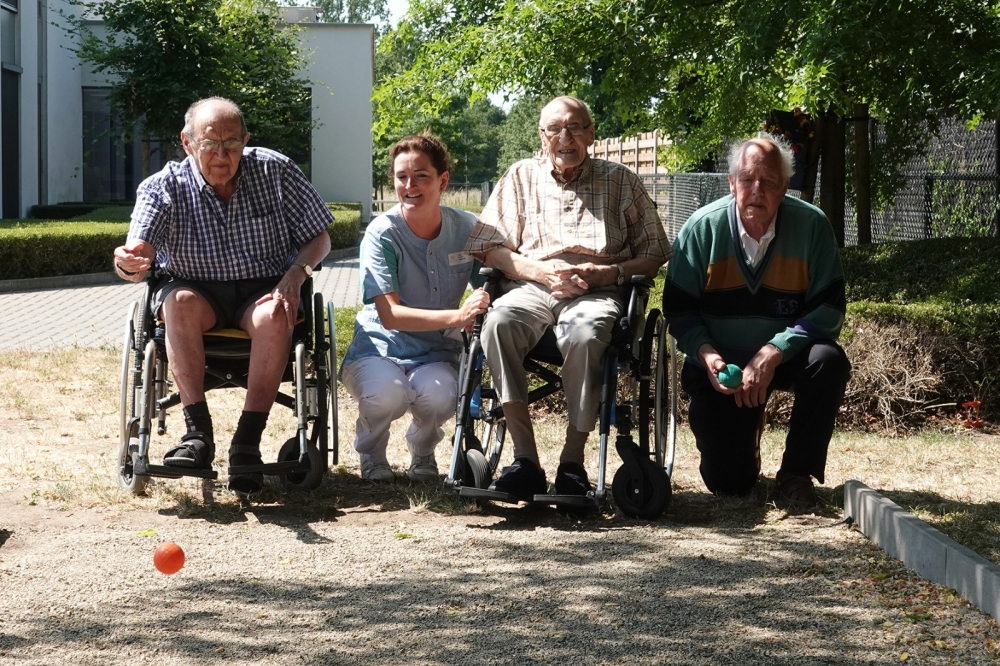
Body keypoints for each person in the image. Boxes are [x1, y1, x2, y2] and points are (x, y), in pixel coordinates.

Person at [112, 96, 333, 496]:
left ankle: (246, 444)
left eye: (232, 144)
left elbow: (320, 237)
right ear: (187, 142)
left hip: (264, 286)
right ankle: (197, 435)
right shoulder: (163, 187)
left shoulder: (275, 170)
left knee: (275, 314)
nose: (221, 155)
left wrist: (296, 274)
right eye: (210, 143)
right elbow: (139, 249)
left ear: (245, 141)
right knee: (176, 304)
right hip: (194, 290)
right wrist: (130, 261)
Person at [464, 95, 671, 500]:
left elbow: (655, 253)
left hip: (597, 291)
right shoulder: (520, 176)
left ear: (591, 133)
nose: (565, 137)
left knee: (587, 332)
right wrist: (538, 270)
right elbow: (488, 247)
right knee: (499, 323)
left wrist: (607, 273)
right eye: (555, 129)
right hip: (530, 285)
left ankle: (572, 463)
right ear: (542, 137)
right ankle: (525, 460)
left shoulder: (621, 179)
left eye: (575, 127)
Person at [662, 133, 851, 509]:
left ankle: (796, 475)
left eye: (768, 181)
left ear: (785, 187)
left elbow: (829, 308)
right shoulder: (701, 229)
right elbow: (679, 310)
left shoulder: (812, 227)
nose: (756, 190)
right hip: (721, 362)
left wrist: (772, 351)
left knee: (828, 362)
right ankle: (747, 436)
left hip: (784, 356)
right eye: (747, 179)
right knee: (729, 484)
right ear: (731, 183)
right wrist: (708, 356)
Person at [341, 134, 490, 482]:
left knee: (441, 397)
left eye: (421, 176)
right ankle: (372, 454)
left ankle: (423, 454)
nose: (409, 185)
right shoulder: (382, 234)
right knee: (386, 394)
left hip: (437, 352)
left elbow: (491, 283)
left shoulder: (467, 228)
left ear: (443, 180)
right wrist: (459, 316)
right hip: (378, 349)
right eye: (401, 177)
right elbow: (390, 316)